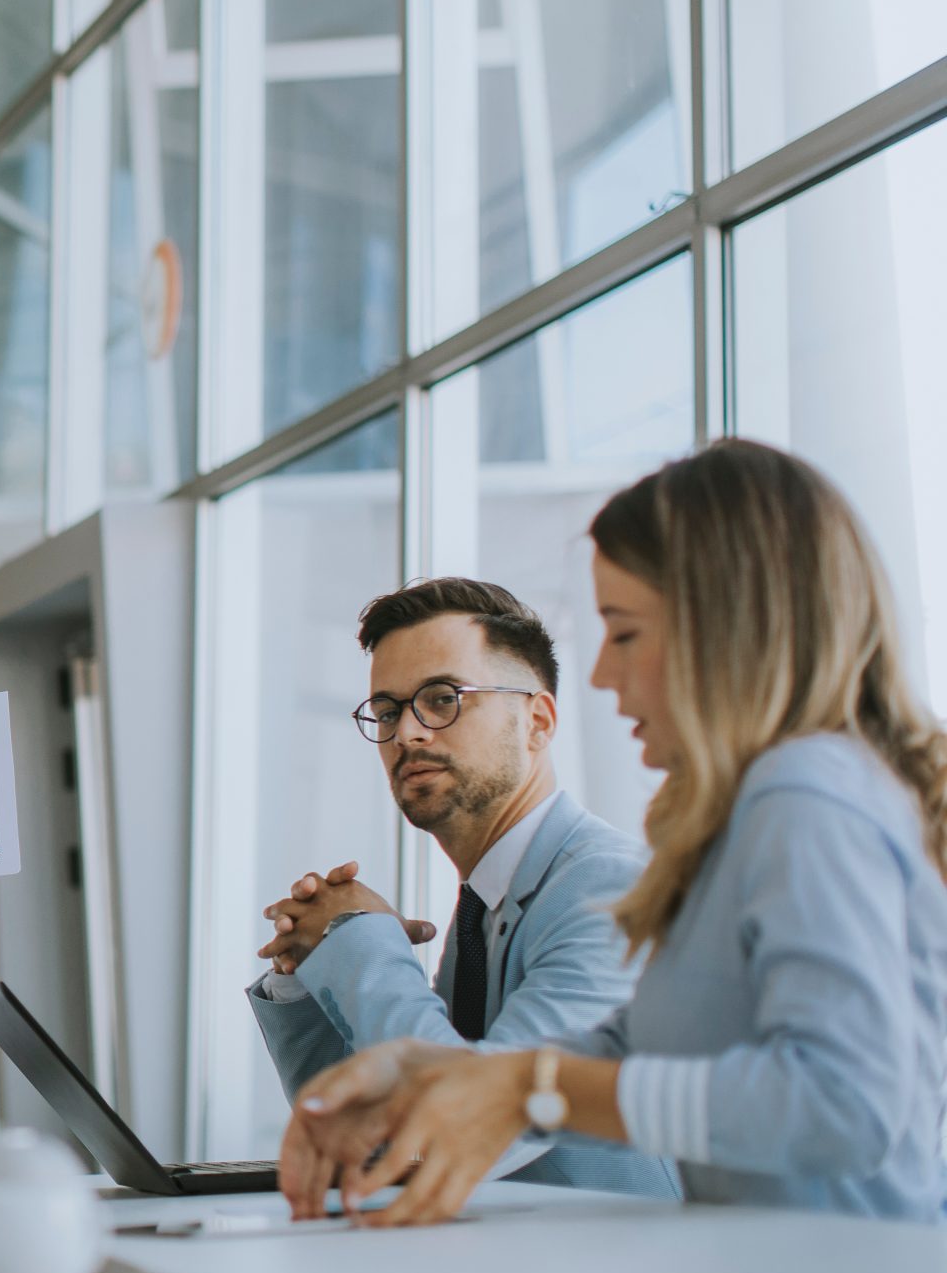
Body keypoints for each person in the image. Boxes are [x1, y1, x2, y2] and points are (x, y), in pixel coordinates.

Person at [281, 441, 947, 1225]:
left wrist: (530, 1085)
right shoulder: (744, 824)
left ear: (726, 632)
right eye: (390, 712)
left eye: (625, 633)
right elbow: (633, 1049)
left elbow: (848, 1103)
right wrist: (427, 1070)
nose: (598, 674)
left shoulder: (805, 796)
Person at [248, 578, 674, 1197]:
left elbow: (487, 1129)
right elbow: (370, 1142)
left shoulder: (605, 890)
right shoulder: (487, 905)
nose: (407, 734)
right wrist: (306, 968)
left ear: (537, 721)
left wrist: (358, 941)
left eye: (442, 698)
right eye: (388, 710)